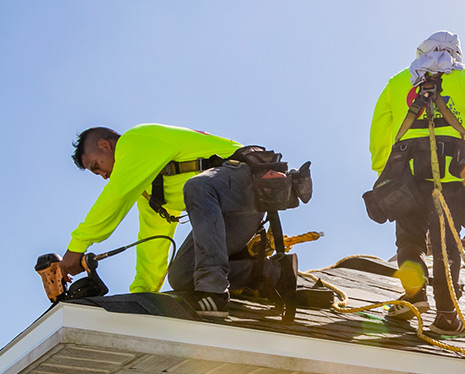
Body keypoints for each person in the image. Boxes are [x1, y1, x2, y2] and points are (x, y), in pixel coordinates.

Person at [61, 123, 297, 318]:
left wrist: (77, 247)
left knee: (196, 186)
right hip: (231, 215)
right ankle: (270, 274)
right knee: (182, 277)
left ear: (105, 145)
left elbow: (115, 197)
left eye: (97, 166)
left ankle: (214, 294)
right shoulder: (150, 189)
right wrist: (141, 296)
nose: (103, 175)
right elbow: (152, 244)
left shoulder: (135, 140)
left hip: (246, 181)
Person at [367, 31, 465, 334]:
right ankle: (447, 314)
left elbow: (380, 130)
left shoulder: (400, 82)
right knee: (446, 244)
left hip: (407, 177)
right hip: (453, 177)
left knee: (409, 240)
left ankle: (415, 295)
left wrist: (384, 174)